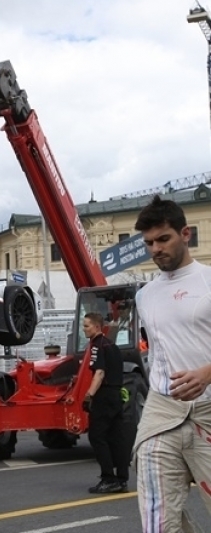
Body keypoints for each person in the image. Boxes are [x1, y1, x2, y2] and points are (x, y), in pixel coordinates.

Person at [133, 195, 211, 532]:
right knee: (158, 520)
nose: (155, 249)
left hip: (208, 409)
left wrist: (207, 373)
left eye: (163, 239)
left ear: (186, 234)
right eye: (149, 243)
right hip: (162, 411)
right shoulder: (145, 295)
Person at [81, 312, 128, 494]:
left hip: (105, 395)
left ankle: (108, 478)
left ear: (97, 327)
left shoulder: (97, 345)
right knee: (117, 437)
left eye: (86, 326)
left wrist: (89, 395)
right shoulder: (113, 345)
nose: (84, 329)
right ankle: (122, 479)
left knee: (97, 436)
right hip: (116, 394)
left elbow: (99, 373)